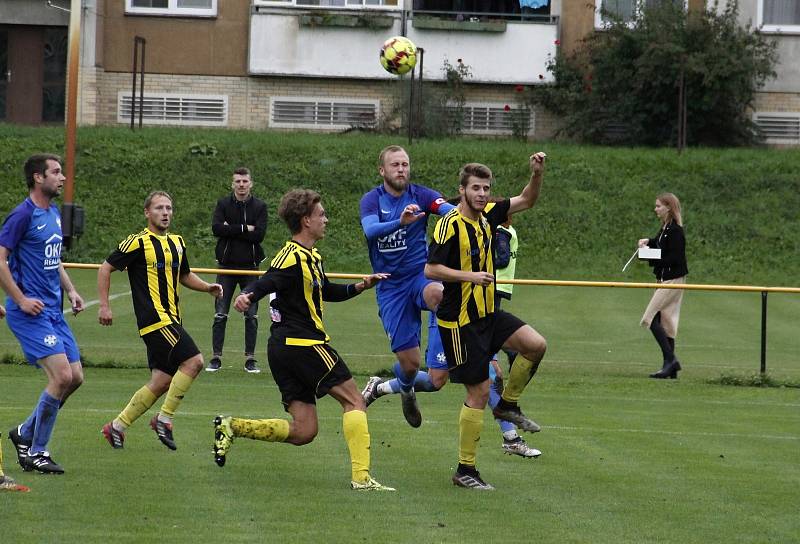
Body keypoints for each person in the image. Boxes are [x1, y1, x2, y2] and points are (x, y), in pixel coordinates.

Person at [213, 189, 394, 491]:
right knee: (355, 401)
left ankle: (233, 426)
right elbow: (269, 280)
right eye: (321, 214)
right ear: (306, 220)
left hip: (286, 349)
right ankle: (362, 479)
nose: (326, 219)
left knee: (304, 431)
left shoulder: (311, 256)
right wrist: (247, 294)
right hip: (304, 344)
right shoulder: (292, 256)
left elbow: (325, 291)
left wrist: (361, 285)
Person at [425, 154, 548, 489]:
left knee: (536, 345)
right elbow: (431, 270)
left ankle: (507, 405)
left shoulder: (490, 215)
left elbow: (528, 199)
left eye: (486, 188)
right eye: (475, 188)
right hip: (459, 322)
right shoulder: (448, 225)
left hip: (488, 314)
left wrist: (536, 174)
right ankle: (466, 470)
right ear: (462, 190)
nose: (481, 194)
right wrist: (469, 276)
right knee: (478, 391)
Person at [98, 191, 222, 451]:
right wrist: (105, 305)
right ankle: (164, 419)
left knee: (162, 381)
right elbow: (105, 267)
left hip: (171, 318)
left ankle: (117, 426)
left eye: (168, 208)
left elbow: (185, 275)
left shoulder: (177, 242)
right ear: (147, 213)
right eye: (159, 208)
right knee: (195, 361)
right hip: (156, 321)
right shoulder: (138, 242)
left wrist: (206, 287)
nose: (165, 213)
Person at [358, 145, 455, 428]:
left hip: (419, 276)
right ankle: (395, 387)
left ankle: (436, 358)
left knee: (440, 294)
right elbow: (371, 230)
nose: (401, 169)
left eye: (405, 164)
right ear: (382, 171)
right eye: (395, 165)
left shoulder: (421, 195)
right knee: (409, 367)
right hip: (390, 288)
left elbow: (445, 209)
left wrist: (458, 213)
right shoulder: (372, 200)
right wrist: (399, 222)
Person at [0, 154, 85, 475]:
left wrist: (72, 290)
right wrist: (20, 299)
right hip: (29, 313)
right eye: (56, 172)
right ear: (38, 178)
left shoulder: (52, 214)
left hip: (53, 311)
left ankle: (24, 432)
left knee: (75, 378)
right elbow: (1, 260)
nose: (62, 178)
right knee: (61, 376)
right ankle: (36, 451)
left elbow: (54, 259)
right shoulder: (21, 215)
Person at [207, 167, 268, 373]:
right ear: (232, 184)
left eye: (245, 181)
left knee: (251, 315)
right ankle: (216, 357)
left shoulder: (259, 206)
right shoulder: (223, 204)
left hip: (250, 268)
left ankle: (250, 359)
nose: (241, 185)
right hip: (226, 267)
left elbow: (259, 235)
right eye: (238, 181)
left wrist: (231, 228)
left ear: (251, 183)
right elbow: (217, 229)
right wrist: (244, 228)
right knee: (220, 313)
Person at [638, 192, 688, 379]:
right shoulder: (666, 228)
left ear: (668, 208)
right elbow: (661, 244)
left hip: (673, 280)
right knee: (666, 322)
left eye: (659, 206)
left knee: (650, 318)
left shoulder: (676, 231)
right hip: (664, 279)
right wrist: (648, 242)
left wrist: (649, 255)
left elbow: (674, 257)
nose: (656, 209)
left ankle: (671, 360)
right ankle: (670, 367)